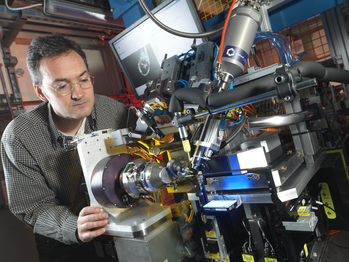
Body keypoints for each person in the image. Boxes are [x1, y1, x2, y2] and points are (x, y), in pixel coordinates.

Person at [1, 32, 170, 261]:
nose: (79, 93)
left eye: (83, 79)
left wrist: (160, 129)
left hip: (123, 234)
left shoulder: (112, 110)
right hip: (68, 249)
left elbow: (145, 143)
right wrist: (73, 226)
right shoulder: (20, 136)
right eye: (62, 86)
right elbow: (32, 207)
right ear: (41, 92)